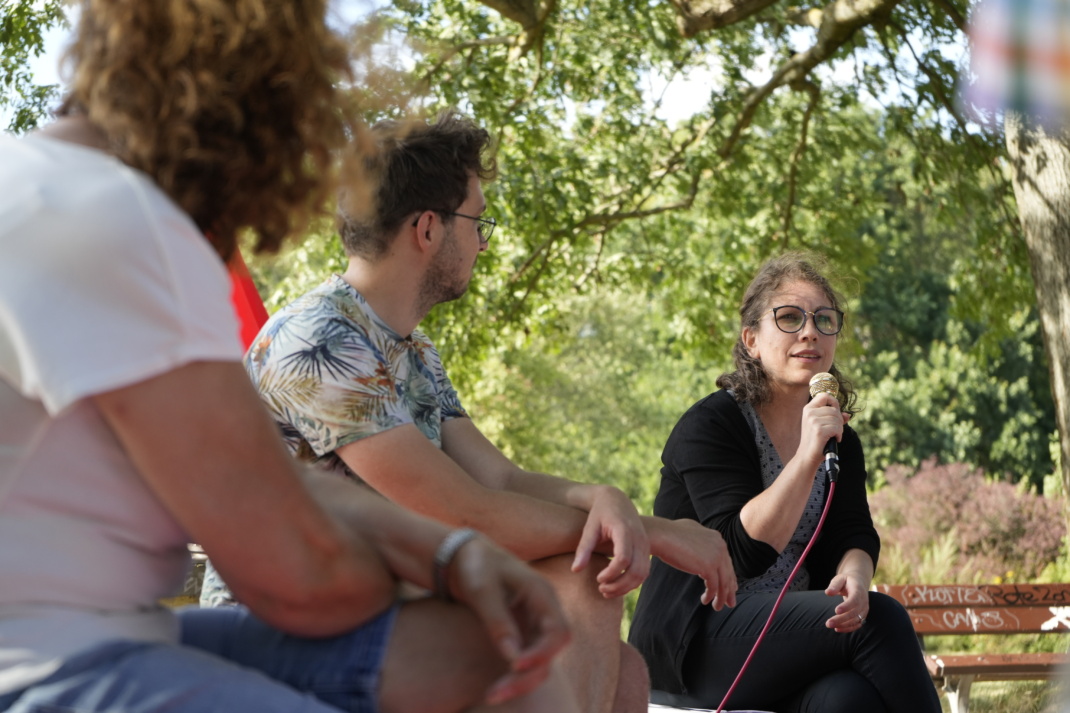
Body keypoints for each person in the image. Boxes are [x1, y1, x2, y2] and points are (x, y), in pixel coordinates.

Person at [0, 3, 581, 713]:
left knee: (488, 658)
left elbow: (256, 472)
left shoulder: (47, 180)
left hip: (120, 628)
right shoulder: (118, 225)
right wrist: (439, 561)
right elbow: (302, 580)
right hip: (43, 668)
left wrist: (455, 553)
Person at [199, 111, 739, 713]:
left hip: (376, 605)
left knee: (628, 673)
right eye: (478, 221)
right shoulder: (318, 341)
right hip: (283, 633)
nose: (483, 240)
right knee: (585, 586)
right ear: (428, 228)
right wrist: (649, 532)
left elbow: (500, 479)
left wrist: (601, 496)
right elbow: (467, 515)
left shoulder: (412, 349)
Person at [627, 253, 941, 713]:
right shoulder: (711, 424)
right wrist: (806, 455)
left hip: (786, 638)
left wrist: (855, 575)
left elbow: (852, 531)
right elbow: (741, 553)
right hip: (698, 640)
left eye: (824, 320)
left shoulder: (840, 437)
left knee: (847, 700)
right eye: (789, 318)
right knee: (885, 620)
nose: (810, 331)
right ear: (751, 340)